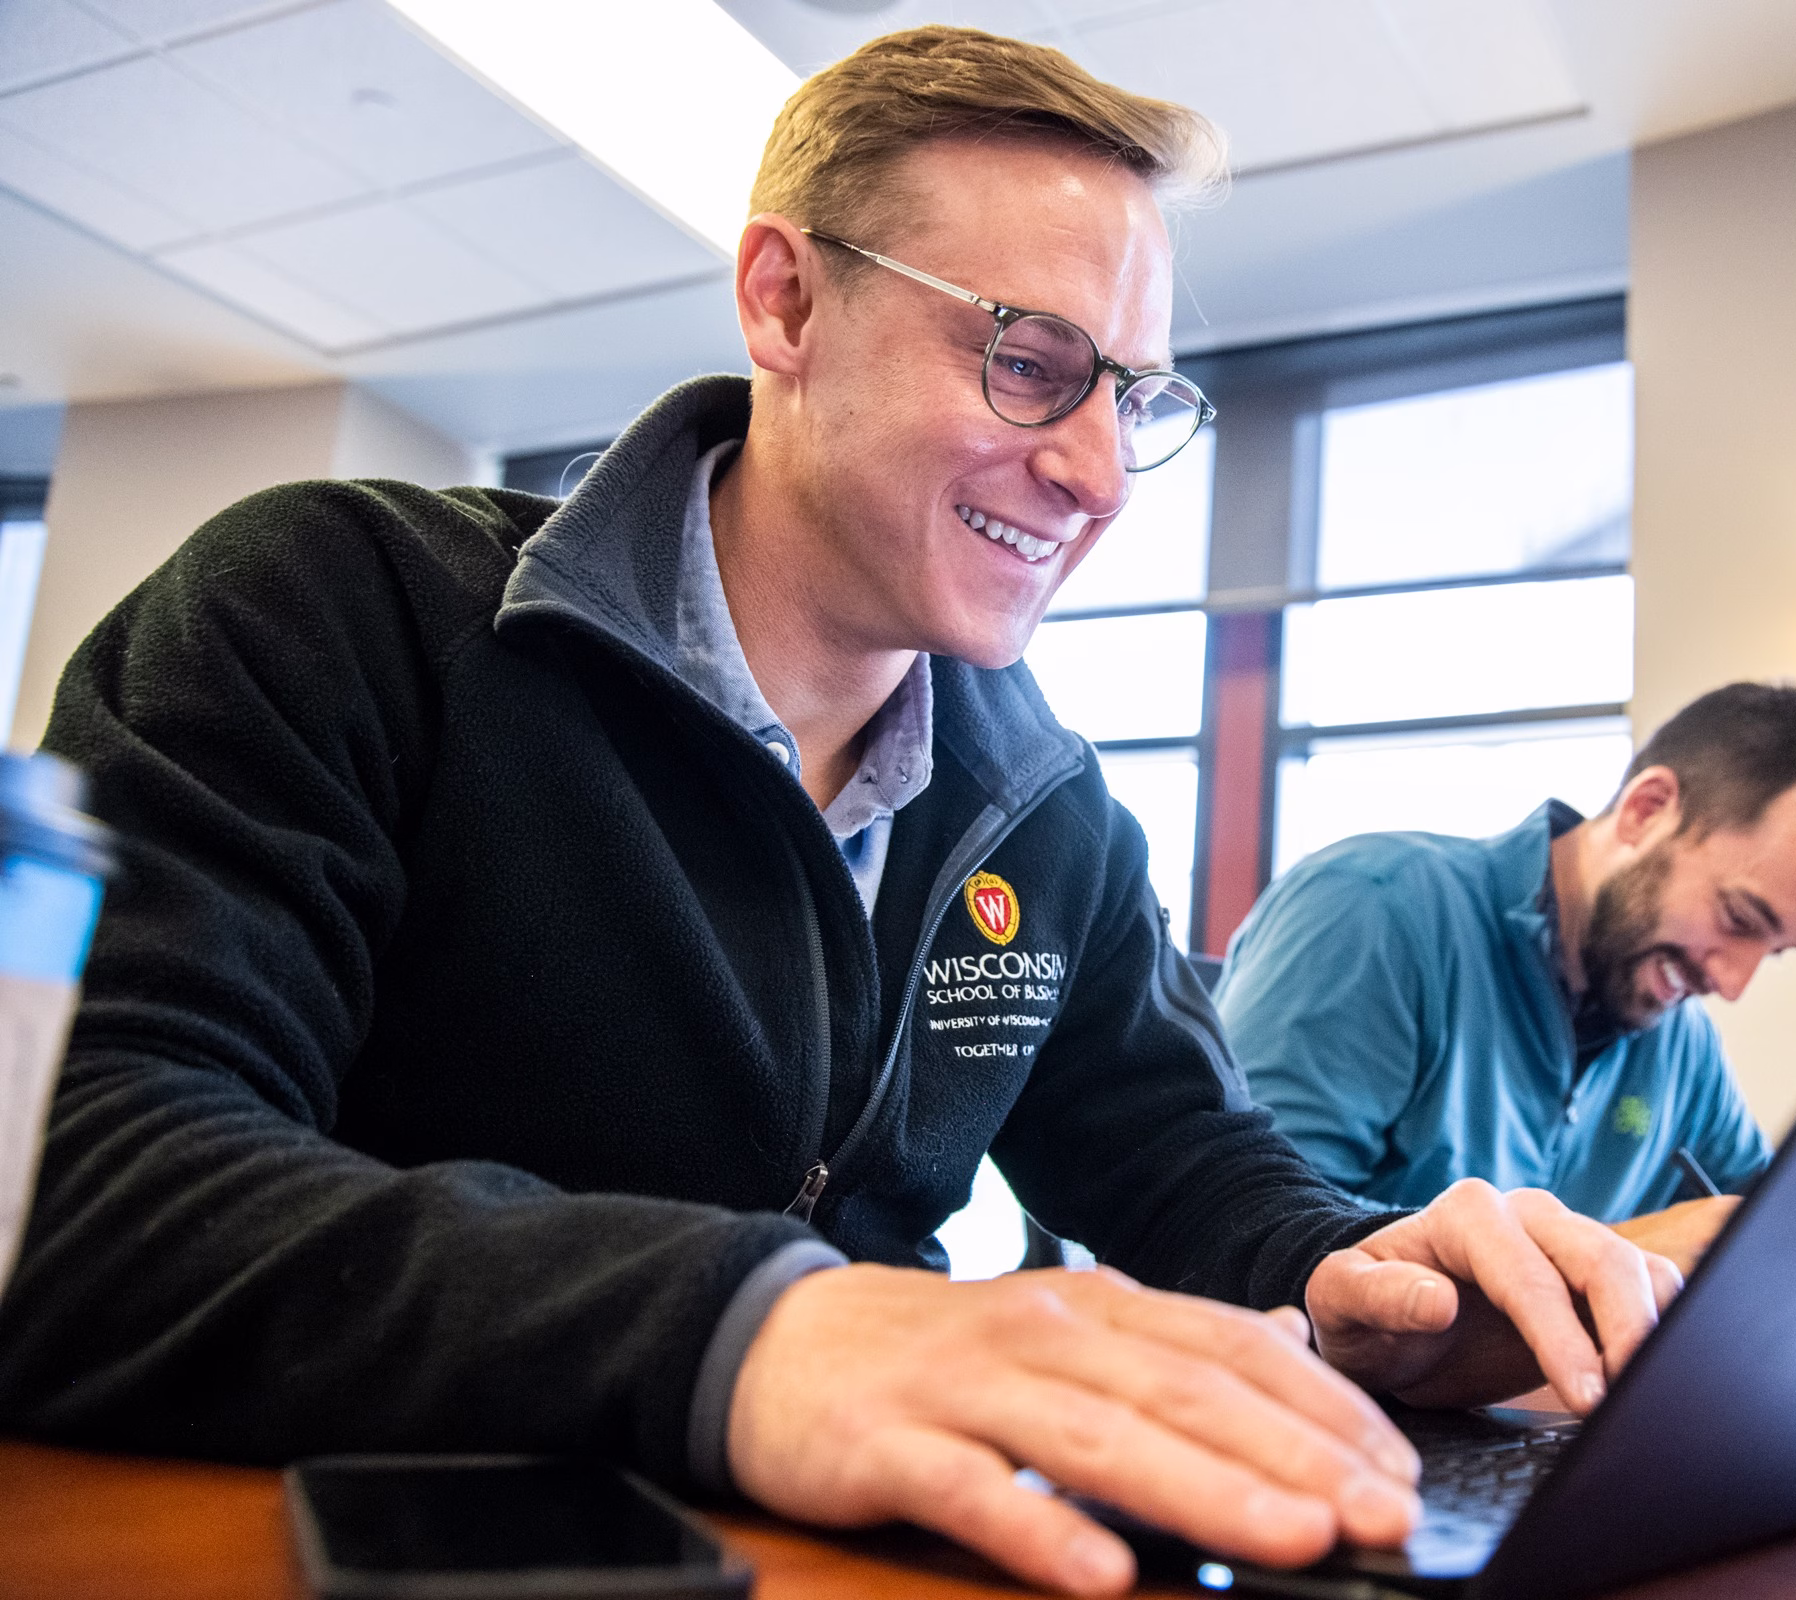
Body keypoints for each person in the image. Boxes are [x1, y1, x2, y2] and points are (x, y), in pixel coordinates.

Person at [0, 26, 1690, 1600]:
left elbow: (1186, 1165)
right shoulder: (335, 611)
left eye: (1139, 396)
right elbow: (79, 1183)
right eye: (1033, 361)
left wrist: (1360, 1278)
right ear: (784, 301)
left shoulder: (1046, 810)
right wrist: (764, 1330)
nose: (1101, 473)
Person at [1215, 685, 1796, 1275]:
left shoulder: (1680, 1050)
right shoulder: (1374, 912)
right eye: (1738, 917)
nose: (1734, 983)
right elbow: (1247, 1238)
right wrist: (1610, 1257)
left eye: (1777, 950)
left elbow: (1773, 1236)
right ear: (1646, 810)